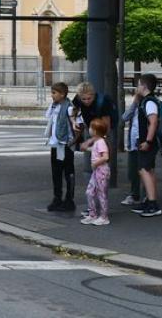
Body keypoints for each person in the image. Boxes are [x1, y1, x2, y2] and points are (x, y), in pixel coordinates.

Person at [129, 74, 162, 218]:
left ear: (144, 86)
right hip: (148, 141)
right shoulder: (147, 101)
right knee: (149, 170)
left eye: (138, 85)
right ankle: (149, 201)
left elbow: (153, 122)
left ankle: (153, 204)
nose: (137, 88)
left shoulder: (149, 102)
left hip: (148, 142)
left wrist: (148, 141)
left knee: (144, 170)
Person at [45, 82, 76, 212]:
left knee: (68, 173)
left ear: (62, 94)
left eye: (54, 93)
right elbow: (48, 117)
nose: (52, 95)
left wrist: (73, 141)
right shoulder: (54, 106)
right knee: (56, 173)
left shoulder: (69, 107)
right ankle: (57, 197)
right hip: (55, 144)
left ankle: (69, 200)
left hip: (65, 144)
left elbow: (76, 124)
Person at [81, 118, 111, 226]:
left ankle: (104, 217)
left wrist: (96, 163)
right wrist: (87, 148)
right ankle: (92, 214)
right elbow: (95, 151)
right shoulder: (97, 142)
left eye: (91, 127)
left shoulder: (101, 142)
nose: (89, 129)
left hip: (101, 171)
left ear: (95, 131)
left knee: (101, 194)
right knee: (90, 192)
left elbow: (105, 157)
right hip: (96, 171)